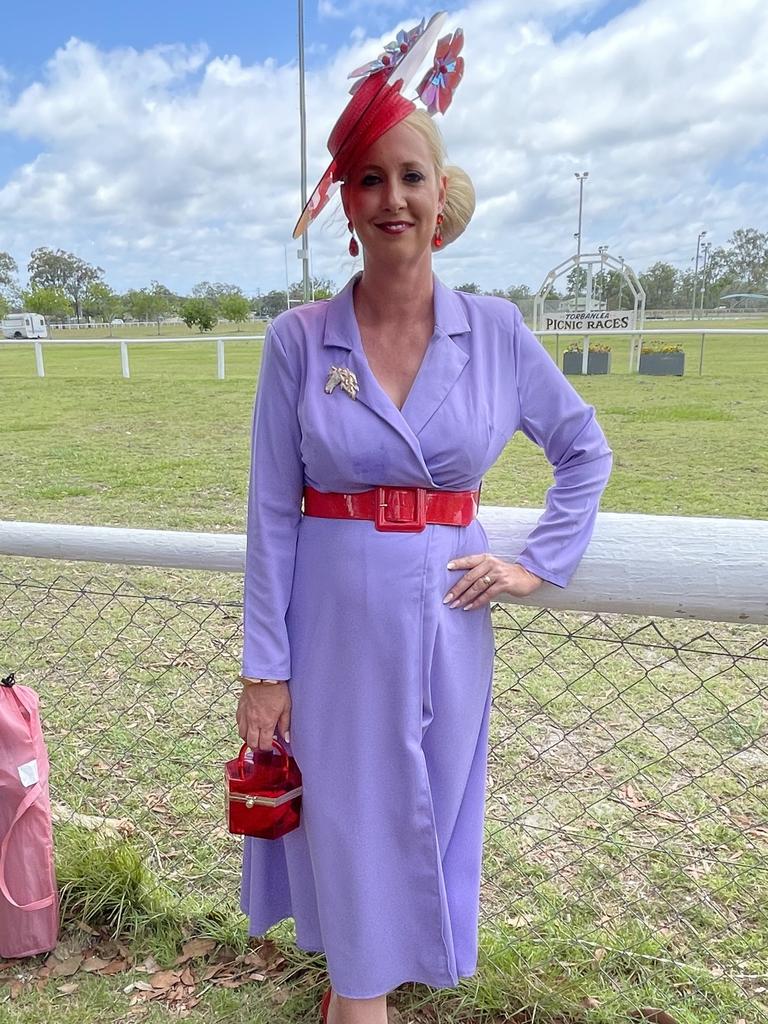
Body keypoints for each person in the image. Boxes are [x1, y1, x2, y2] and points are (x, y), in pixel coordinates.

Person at [236, 13, 613, 1024]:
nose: (391, 197)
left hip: (451, 614)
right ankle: (359, 1000)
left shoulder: (493, 331)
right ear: (345, 203)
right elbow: (272, 513)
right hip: (335, 618)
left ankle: (366, 983)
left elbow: (584, 449)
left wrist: (536, 562)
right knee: (350, 813)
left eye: (410, 176)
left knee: (427, 810)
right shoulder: (296, 341)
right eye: (368, 178)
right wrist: (263, 668)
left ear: (441, 196)